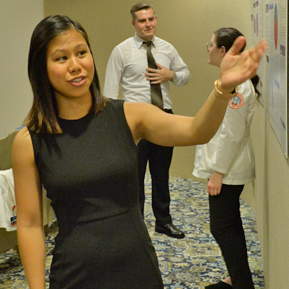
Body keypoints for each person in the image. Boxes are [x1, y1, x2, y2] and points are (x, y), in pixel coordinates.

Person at [12, 14, 266, 289]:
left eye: (81, 53)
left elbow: (197, 131)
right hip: (76, 272)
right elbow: (29, 224)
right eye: (61, 58)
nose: (76, 65)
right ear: (42, 68)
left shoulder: (129, 115)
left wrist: (223, 88)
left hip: (136, 267)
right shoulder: (29, 140)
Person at [103, 2, 190, 239]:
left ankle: (163, 221)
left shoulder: (167, 48)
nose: (148, 24)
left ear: (156, 19)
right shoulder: (121, 51)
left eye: (151, 19)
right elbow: (110, 93)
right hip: (135, 122)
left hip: (164, 118)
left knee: (162, 173)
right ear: (134, 23)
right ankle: (136, 224)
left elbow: (185, 76)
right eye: (142, 21)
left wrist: (170, 75)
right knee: (134, 176)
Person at [193, 28, 260, 289]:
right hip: (227, 168)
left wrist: (218, 173)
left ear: (223, 51)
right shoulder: (231, 81)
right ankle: (238, 278)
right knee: (229, 225)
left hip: (229, 171)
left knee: (222, 228)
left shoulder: (237, 87)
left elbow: (232, 134)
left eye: (209, 44)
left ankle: (242, 283)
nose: (207, 48)